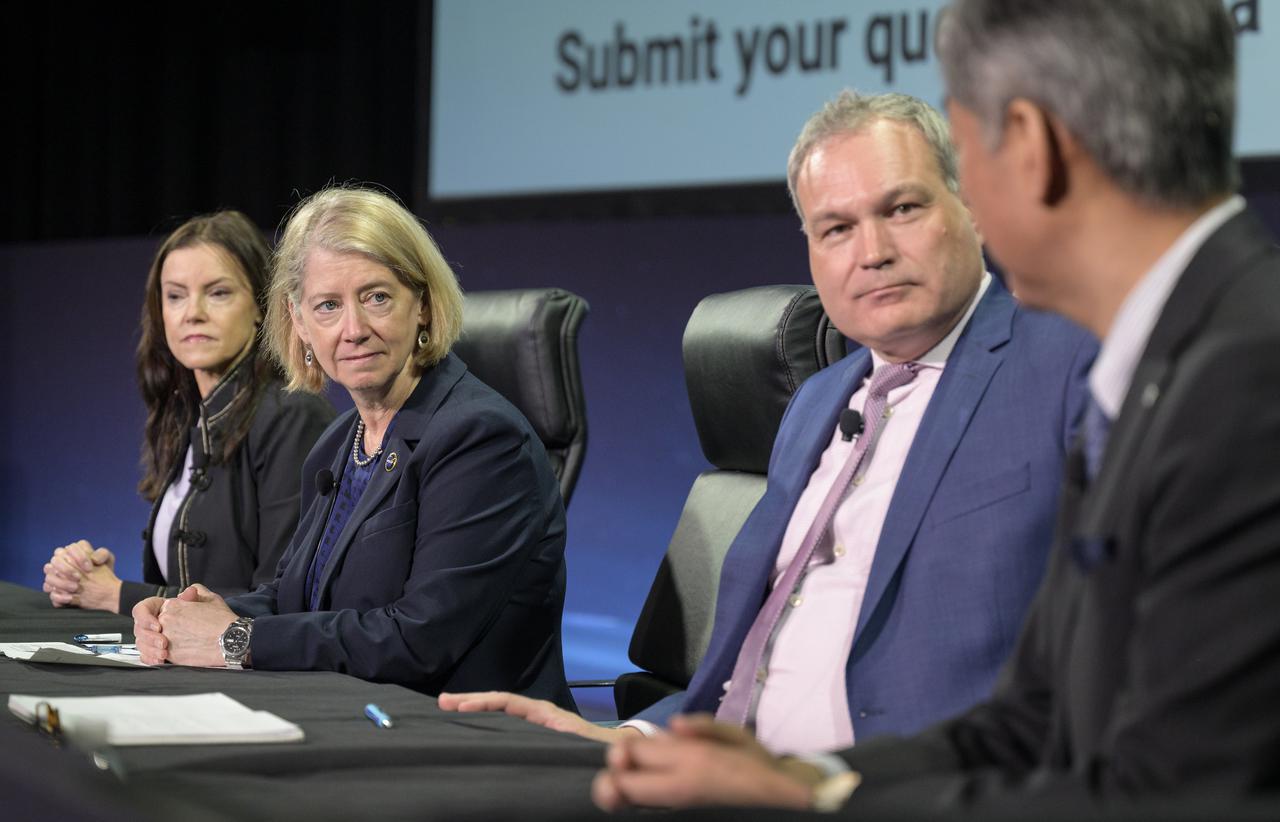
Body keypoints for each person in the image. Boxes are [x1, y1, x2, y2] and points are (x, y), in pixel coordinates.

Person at [590, 0, 1280, 813]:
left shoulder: (1235, 373)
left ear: (1031, 147)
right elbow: (1032, 713)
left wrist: (827, 804)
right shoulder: (1176, 351)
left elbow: (1182, 789)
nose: (875, 250)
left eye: (957, 162)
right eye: (836, 228)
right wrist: (810, 784)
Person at [440, 92, 1094, 753]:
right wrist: (630, 736)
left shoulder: (1072, 365)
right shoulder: (815, 402)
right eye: (836, 228)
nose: (873, 252)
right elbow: (742, 667)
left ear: (975, 209)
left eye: (902, 209)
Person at [131, 186, 575, 708]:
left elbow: (419, 638)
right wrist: (197, 612)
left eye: (377, 297)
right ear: (299, 323)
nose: (353, 329)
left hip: (465, 737)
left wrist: (235, 641)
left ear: (425, 305)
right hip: (358, 715)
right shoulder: (340, 441)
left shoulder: (479, 438)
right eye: (327, 306)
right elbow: (291, 596)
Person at [40, 211, 334, 615]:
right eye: (175, 296)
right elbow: (186, 588)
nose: (191, 312)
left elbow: (283, 600)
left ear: (261, 307)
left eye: (218, 293)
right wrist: (91, 578)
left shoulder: (293, 415)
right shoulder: (188, 416)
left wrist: (116, 595)